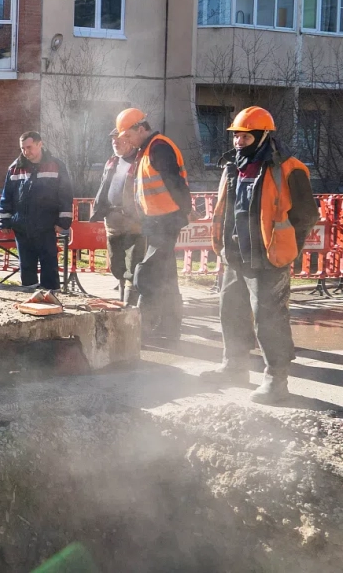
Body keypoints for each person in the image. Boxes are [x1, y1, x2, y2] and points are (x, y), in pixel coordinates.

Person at [202, 107, 318, 404]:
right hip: (236, 255)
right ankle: (234, 367)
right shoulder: (233, 166)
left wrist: (289, 250)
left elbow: (306, 216)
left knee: (269, 319)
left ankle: (276, 380)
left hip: (269, 259)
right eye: (236, 135)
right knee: (231, 310)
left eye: (245, 136)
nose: (239, 141)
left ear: (263, 135)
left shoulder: (290, 169)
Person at [115, 108, 192, 340]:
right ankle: (169, 328)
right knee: (167, 277)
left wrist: (184, 212)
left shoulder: (159, 147)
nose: (126, 141)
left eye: (128, 136)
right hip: (156, 222)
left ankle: (145, 329)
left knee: (146, 274)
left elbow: (176, 184)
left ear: (141, 129)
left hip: (166, 221)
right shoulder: (146, 150)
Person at [0, 132, 74, 291]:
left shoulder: (56, 165)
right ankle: (29, 297)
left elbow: (65, 195)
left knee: (49, 264)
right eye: (23, 148)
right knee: (26, 266)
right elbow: (7, 195)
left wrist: (63, 222)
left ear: (40, 144)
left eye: (29, 147)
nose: (26, 152)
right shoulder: (14, 168)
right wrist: (4, 220)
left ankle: (51, 298)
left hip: (46, 226)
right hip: (22, 228)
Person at [91, 131, 146, 304]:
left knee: (132, 268)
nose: (114, 142)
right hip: (113, 223)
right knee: (117, 267)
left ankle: (130, 309)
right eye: (113, 140)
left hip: (134, 224)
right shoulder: (112, 162)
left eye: (119, 139)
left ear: (129, 140)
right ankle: (123, 305)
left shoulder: (140, 161)